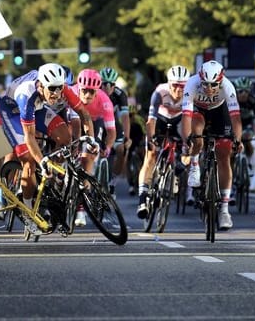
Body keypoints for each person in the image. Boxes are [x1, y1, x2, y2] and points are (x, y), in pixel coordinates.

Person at [0, 63, 95, 230]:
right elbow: (29, 136)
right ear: (41, 85)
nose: (57, 94)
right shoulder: (25, 94)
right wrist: (42, 160)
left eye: (59, 88)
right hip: (12, 110)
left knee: (65, 137)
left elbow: (84, 114)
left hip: (39, 106)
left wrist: (91, 141)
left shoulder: (59, 87)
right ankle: (28, 210)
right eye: (52, 89)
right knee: (29, 161)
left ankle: (55, 178)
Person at [181, 60, 242, 230]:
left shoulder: (228, 87)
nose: (208, 88)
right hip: (199, 111)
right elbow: (186, 117)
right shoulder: (191, 84)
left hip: (219, 112)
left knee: (224, 153)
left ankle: (224, 209)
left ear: (220, 81)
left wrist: (237, 139)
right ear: (200, 79)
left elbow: (235, 117)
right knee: (197, 137)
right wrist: (187, 140)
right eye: (205, 84)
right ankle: (194, 164)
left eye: (213, 85)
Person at [136, 65, 189, 218]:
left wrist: (188, 144)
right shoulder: (160, 92)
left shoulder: (190, 94)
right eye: (175, 85)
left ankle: (176, 172)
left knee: (188, 149)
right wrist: (151, 139)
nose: (179, 89)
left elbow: (189, 122)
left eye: (182, 86)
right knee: (151, 156)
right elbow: (151, 120)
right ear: (169, 83)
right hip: (160, 120)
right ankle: (142, 198)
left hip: (179, 122)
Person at [71, 69, 116, 176]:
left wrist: (108, 147)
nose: (87, 95)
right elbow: (72, 124)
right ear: (78, 88)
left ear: (97, 91)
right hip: (74, 121)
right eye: (84, 90)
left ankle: (86, 186)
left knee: (88, 157)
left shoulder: (105, 101)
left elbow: (111, 131)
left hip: (95, 122)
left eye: (92, 91)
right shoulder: (72, 93)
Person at [100, 67, 132, 197]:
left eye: (111, 84)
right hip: (98, 124)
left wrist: (127, 137)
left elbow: (124, 117)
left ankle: (113, 181)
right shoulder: (94, 92)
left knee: (121, 150)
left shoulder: (120, 95)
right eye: (104, 84)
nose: (108, 87)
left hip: (113, 125)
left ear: (115, 84)